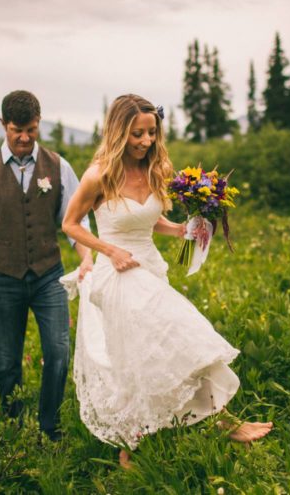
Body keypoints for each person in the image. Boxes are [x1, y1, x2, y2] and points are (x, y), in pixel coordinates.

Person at [61, 93, 272, 468]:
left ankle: (208, 424)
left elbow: (147, 220)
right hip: (118, 273)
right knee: (180, 335)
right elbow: (70, 224)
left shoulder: (154, 170)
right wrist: (108, 251)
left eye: (151, 133)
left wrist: (181, 231)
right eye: (137, 134)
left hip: (149, 268)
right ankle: (135, 443)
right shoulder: (100, 174)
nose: (145, 142)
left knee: (155, 351)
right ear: (118, 131)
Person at [0, 90, 93, 441]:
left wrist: (88, 260)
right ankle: (13, 428)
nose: (24, 137)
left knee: (58, 351)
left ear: (39, 124)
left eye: (31, 129)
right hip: (2, 279)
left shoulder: (59, 167)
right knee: (6, 362)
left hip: (49, 274)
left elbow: (75, 223)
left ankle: (50, 426)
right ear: (4, 125)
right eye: (17, 130)